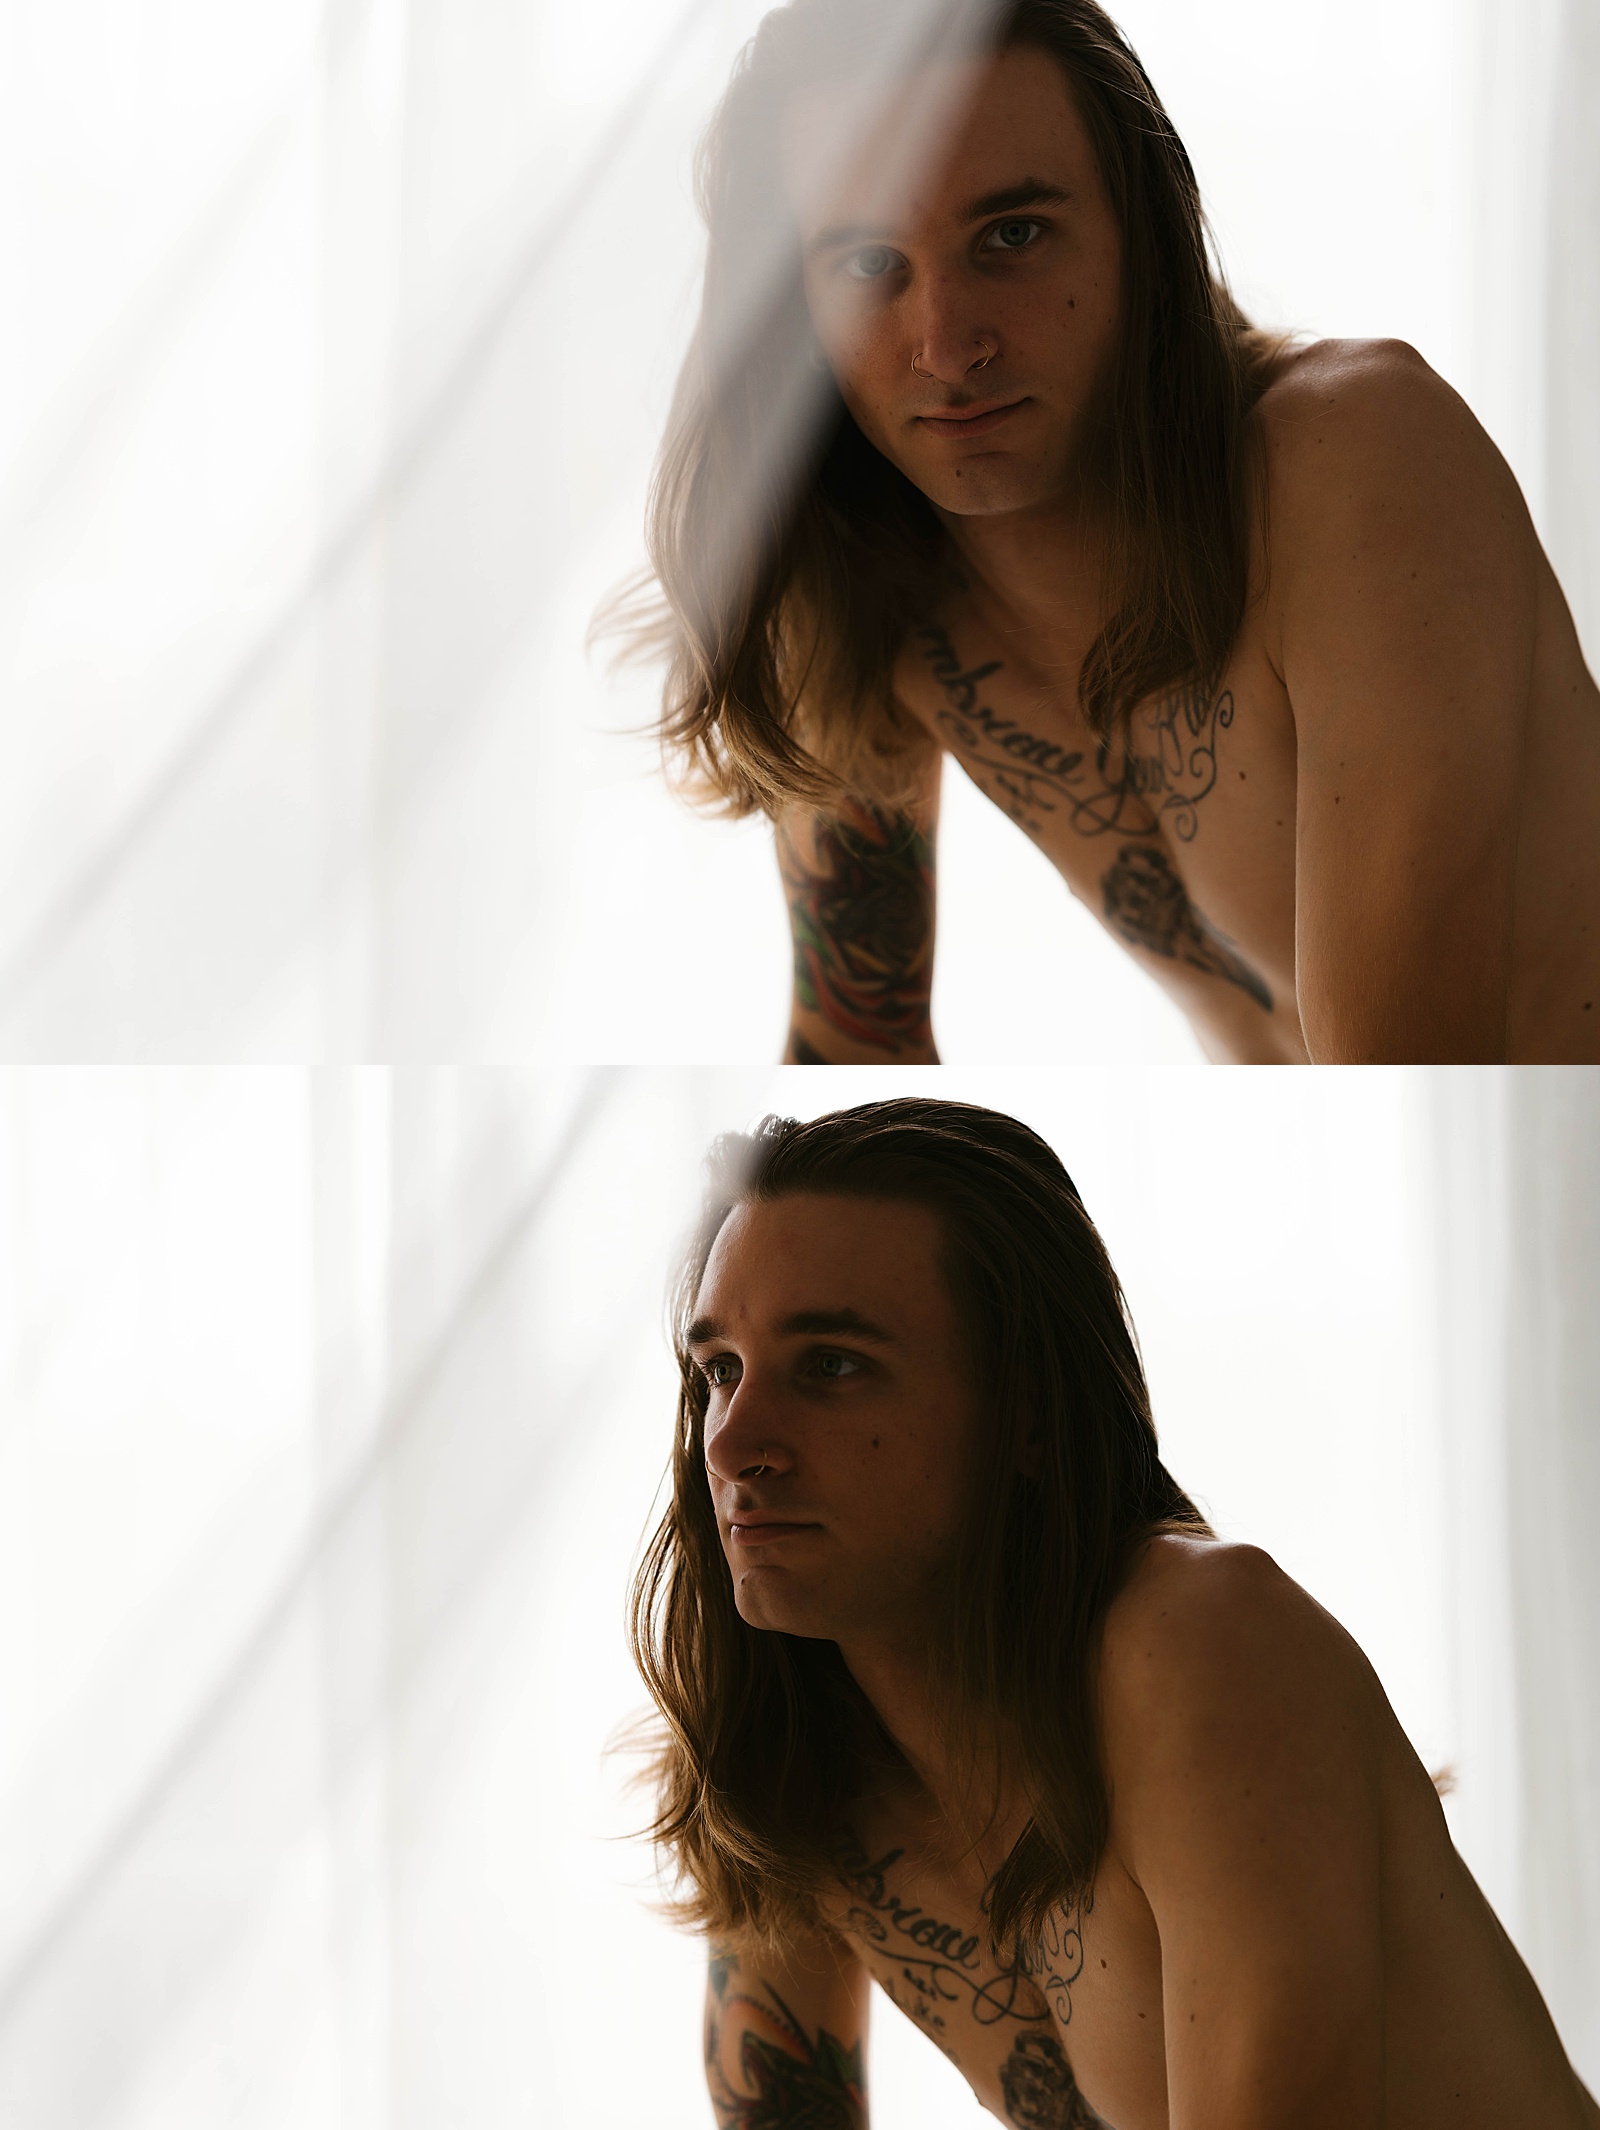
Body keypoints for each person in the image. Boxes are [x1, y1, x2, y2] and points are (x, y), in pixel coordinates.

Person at [626, 0, 1600, 1064]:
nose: (947, 347)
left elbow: (1408, 1077)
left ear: (1145, 232)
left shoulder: (1353, 463)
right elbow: (853, 1045)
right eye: (867, 266)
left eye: (1012, 236)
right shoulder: (858, 582)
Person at [628, 1098, 1600, 2130]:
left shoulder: (1201, 1642)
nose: (732, 1445)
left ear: (1030, 1416)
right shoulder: (797, 1758)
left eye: (831, 1366)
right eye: (716, 1373)